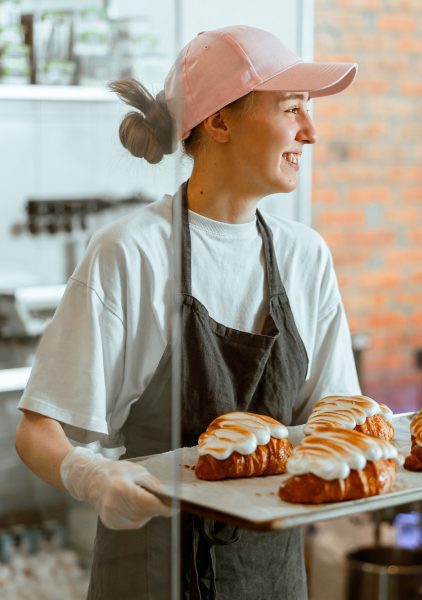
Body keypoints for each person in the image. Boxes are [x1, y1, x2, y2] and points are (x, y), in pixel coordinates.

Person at [15, 25, 360, 600]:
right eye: (293, 108)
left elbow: (333, 418)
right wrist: (93, 477)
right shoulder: (131, 252)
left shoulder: (306, 256)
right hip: (152, 571)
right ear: (220, 122)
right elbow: (37, 430)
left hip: (269, 575)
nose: (312, 132)